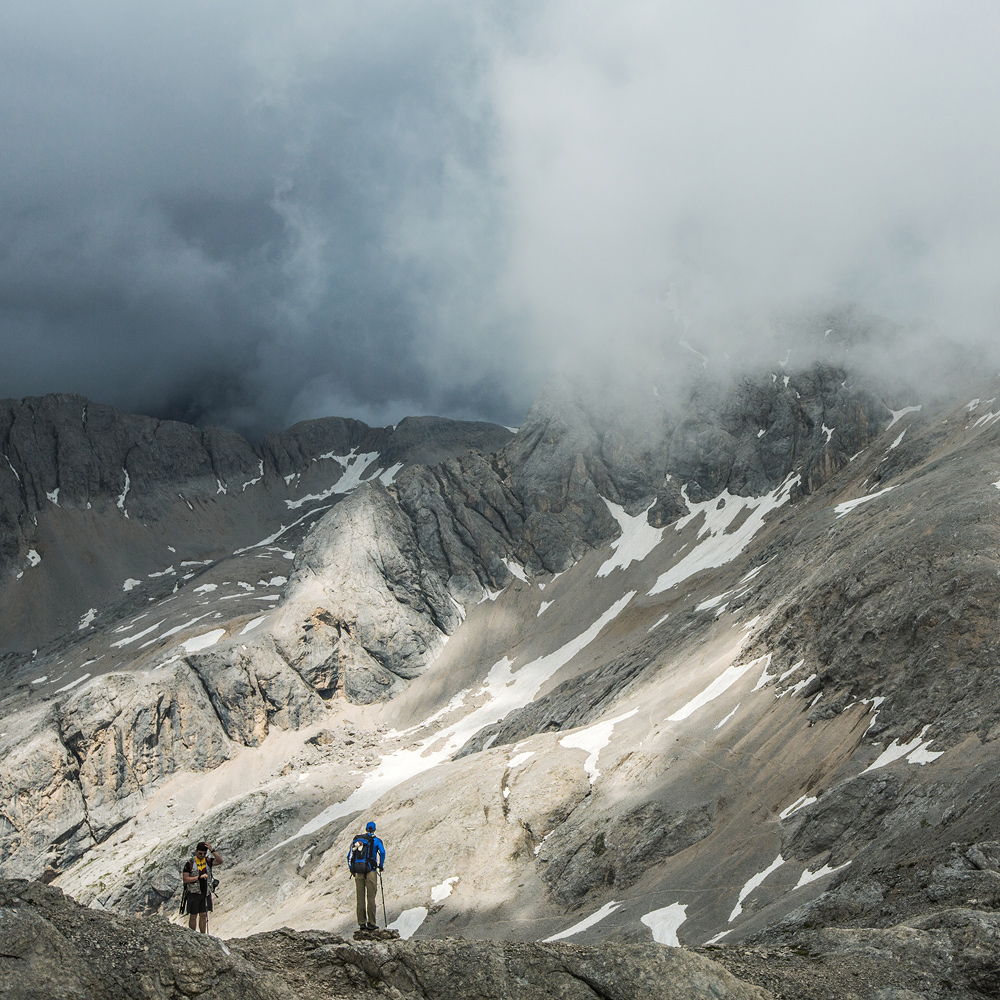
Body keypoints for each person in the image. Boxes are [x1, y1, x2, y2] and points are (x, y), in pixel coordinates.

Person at [347, 821, 385, 930]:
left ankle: (361, 923)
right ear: (374, 829)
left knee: (360, 898)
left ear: (365, 829)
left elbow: (349, 856)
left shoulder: (357, 840)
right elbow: (382, 852)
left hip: (358, 872)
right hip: (371, 871)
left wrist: (352, 869)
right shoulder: (376, 840)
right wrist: (380, 866)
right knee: (371, 898)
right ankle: (372, 923)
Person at [182, 840, 223, 933]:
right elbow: (186, 879)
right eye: (200, 853)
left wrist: (212, 850)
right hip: (193, 893)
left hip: (206, 892)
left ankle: (203, 934)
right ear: (196, 852)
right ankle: (192, 934)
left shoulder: (208, 861)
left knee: (203, 914)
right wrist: (198, 877)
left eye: (204, 853)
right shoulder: (189, 863)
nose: (202, 855)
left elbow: (220, 861)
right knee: (193, 915)